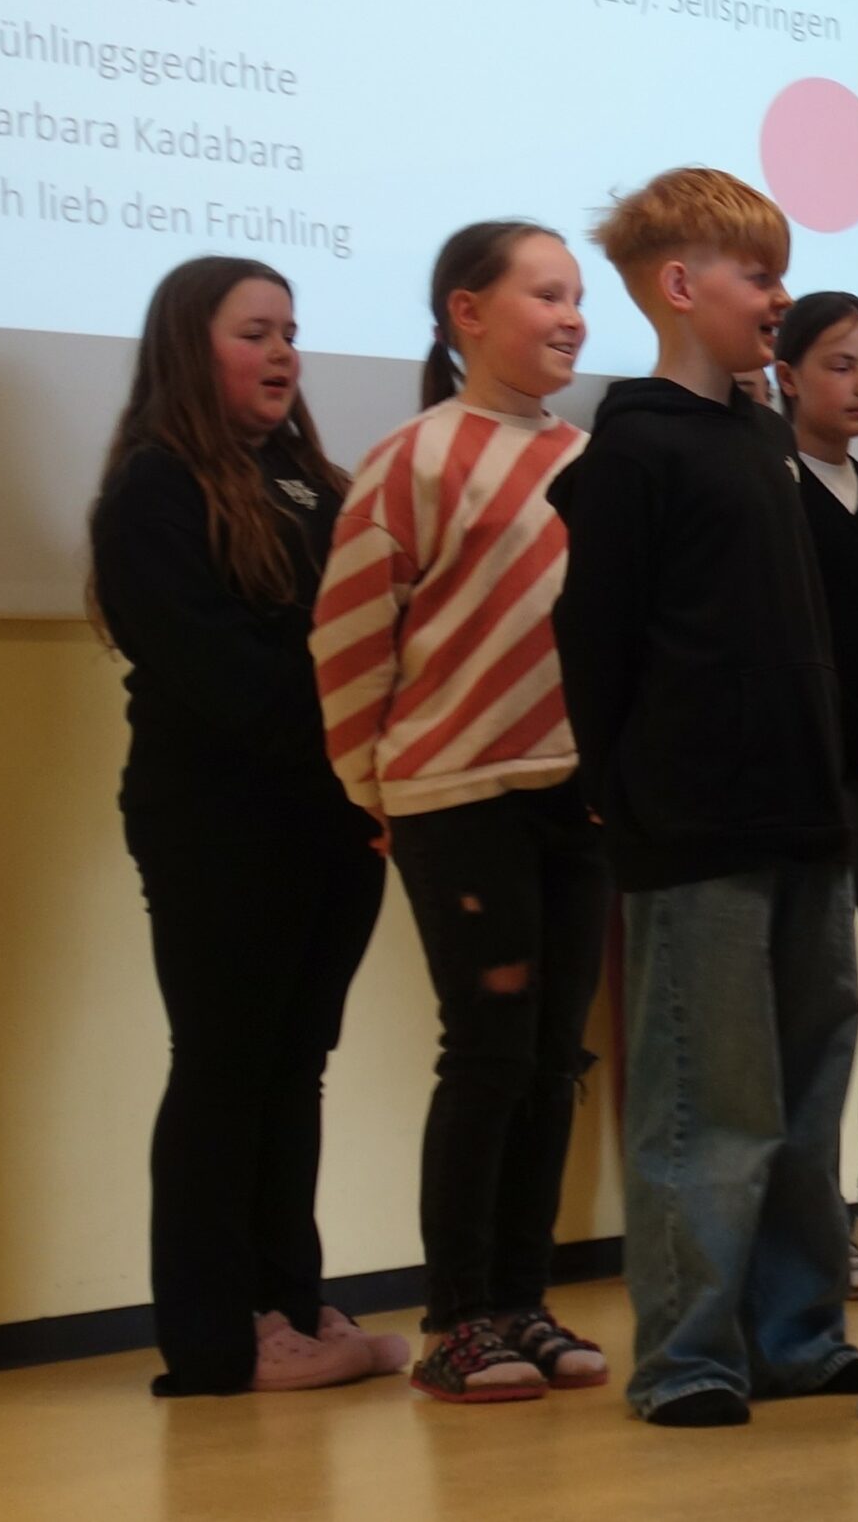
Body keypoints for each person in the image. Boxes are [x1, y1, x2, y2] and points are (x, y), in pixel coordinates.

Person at [547, 167, 858, 1427]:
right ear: (682, 286)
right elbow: (597, 646)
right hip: (695, 831)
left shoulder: (761, 439)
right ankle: (687, 1355)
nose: (780, 297)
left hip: (805, 816)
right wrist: (624, 801)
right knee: (707, 1100)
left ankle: (795, 1335)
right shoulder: (633, 448)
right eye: (760, 275)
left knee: (804, 1093)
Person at [89, 256, 401, 1395]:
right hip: (219, 819)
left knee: (294, 1067)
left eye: (290, 332)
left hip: (333, 817)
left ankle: (290, 1301)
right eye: (253, 333)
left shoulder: (318, 482)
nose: (282, 354)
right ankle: (219, 1339)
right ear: (190, 346)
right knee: (224, 1067)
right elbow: (221, 672)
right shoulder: (155, 489)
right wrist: (345, 721)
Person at [311, 221, 608, 1401]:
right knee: (487, 1051)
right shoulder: (411, 459)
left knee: (553, 1058)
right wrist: (371, 787)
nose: (572, 316)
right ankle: (457, 1320)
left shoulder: (591, 459)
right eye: (547, 294)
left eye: (578, 295)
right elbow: (346, 641)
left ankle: (523, 1301)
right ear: (466, 314)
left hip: (575, 802)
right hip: (453, 799)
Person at [769, 291, 858, 1294]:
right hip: (815, 783)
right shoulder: (768, 489)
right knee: (822, 1007)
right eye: (839, 364)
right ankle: (807, 1224)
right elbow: (795, 644)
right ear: (785, 376)